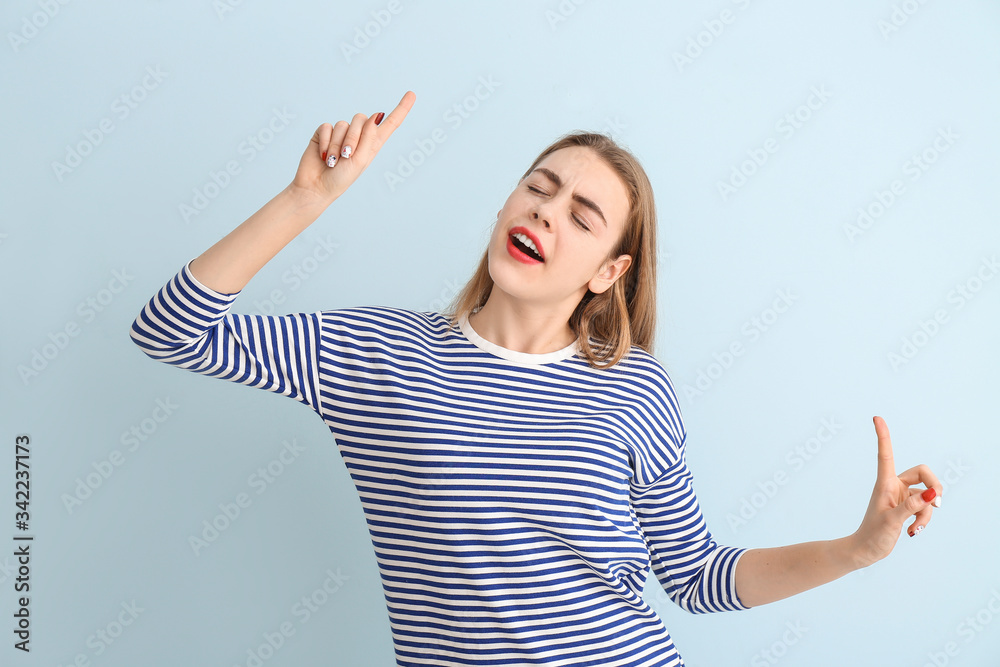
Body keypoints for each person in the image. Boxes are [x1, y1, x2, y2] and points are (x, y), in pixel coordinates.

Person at [129, 90, 942, 666]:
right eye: (538, 189)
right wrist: (307, 197)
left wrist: (856, 549)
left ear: (608, 272)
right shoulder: (376, 355)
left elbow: (695, 576)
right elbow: (169, 331)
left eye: (582, 217)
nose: (547, 211)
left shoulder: (637, 388)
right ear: (505, 208)